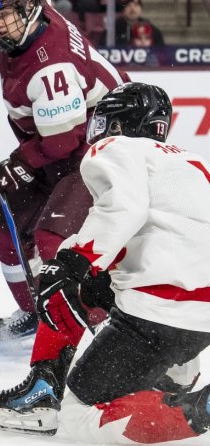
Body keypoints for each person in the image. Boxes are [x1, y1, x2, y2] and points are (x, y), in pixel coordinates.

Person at [0, 0, 128, 429]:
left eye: (2, 14)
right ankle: (37, 311)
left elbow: (63, 141)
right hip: (57, 145)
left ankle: (85, 320)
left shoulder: (52, 63)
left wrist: (13, 170)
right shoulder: (29, 17)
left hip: (97, 151)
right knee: (4, 234)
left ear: (30, 8)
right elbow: (52, 139)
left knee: (51, 241)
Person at [32, 82, 210, 444]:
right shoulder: (194, 161)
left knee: (77, 415)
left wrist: (72, 262)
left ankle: (197, 408)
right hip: (201, 317)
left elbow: (124, 208)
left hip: (160, 314)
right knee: (121, 287)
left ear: (115, 124)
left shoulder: (115, 147)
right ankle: (176, 378)